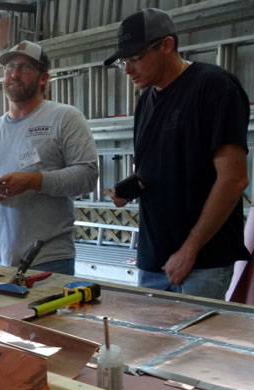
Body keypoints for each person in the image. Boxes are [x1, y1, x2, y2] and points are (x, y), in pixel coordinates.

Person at [104, 8, 250, 299]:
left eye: (135, 58)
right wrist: (130, 187)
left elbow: (233, 180)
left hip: (201, 263)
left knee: (195, 345)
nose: (127, 69)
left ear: (167, 45)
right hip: (153, 259)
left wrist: (189, 250)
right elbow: (156, 168)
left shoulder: (214, 86)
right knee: (150, 344)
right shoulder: (146, 101)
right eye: (124, 60)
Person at [0, 41, 98, 275]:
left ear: (43, 78)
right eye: (9, 67)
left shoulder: (65, 118)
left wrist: (33, 181)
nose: (14, 74)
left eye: (25, 67)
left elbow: (87, 175)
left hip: (49, 260)